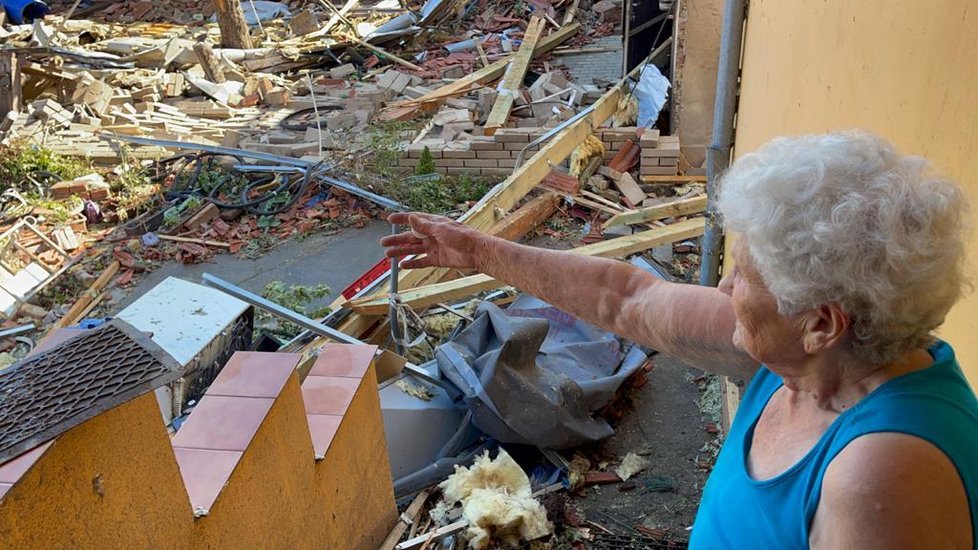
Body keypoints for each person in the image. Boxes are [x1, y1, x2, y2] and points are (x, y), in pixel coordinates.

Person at [380, 131, 978, 548]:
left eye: (743, 273)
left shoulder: (880, 478)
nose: (723, 283)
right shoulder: (811, 358)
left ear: (821, 322)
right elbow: (627, 299)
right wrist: (477, 250)